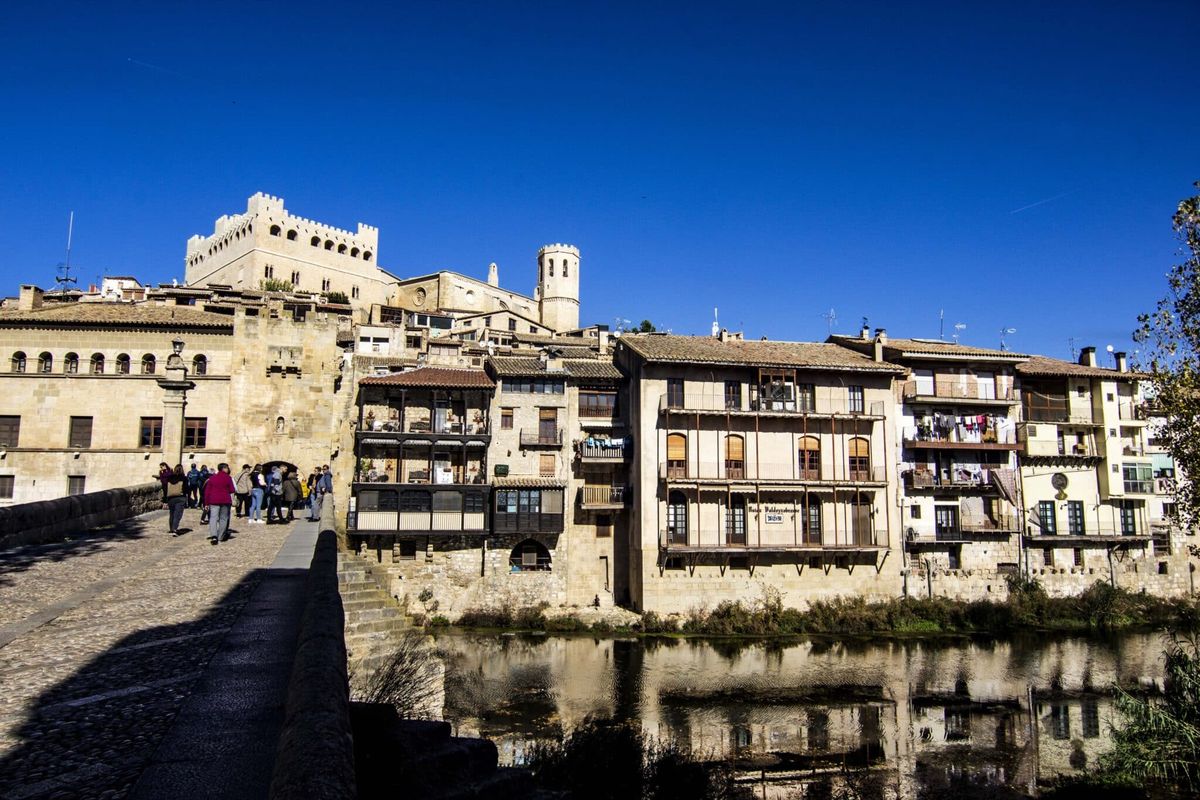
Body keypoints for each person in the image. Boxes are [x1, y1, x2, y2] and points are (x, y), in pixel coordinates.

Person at [202, 463, 236, 544]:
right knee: (223, 518)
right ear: (224, 468)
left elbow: (207, 492)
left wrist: (206, 503)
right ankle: (220, 536)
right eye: (227, 468)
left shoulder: (212, 478)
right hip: (225, 500)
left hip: (213, 501)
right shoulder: (228, 478)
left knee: (213, 518)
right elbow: (232, 490)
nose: (228, 469)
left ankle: (214, 535)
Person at [163, 464, 187, 535]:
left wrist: (165, 499)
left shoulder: (169, 478)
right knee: (178, 514)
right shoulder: (184, 478)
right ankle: (174, 529)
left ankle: (171, 528)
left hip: (171, 498)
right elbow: (186, 489)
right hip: (180, 498)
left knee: (172, 513)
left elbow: (165, 488)